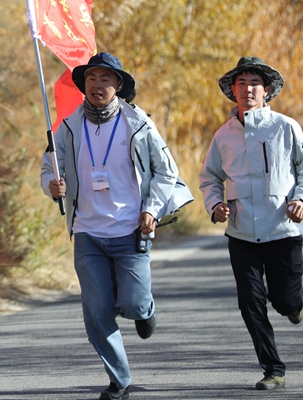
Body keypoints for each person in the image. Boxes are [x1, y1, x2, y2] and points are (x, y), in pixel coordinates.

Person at [41, 52, 191, 400]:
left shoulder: (138, 124)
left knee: (134, 304)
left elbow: (166, 172)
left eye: (105, 79)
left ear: (119, 85)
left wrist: (152, 209)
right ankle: (119, 380)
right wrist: (52, 185)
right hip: (87, 233)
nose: (97, 85)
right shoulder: (68, 127)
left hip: (131, 230)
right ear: (84, 85)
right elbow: (49, 168)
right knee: (97, 313)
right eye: (91, 78)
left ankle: (144, 311)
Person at [199, 56, 303, 391]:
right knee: (250, 304)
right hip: (242, 235)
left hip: (283, 230)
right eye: (242, 83)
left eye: (254, 83)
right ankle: (273, 369)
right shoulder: (223, 136)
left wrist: (301, 200)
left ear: (266, 90)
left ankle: (293, 307)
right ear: (233, 90)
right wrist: (215, 205)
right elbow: (209, 178)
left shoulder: (285, 127)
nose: (248, 89)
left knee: (284, 301)